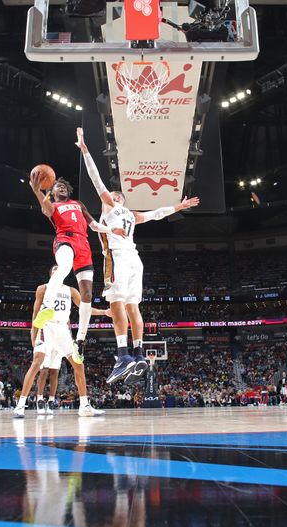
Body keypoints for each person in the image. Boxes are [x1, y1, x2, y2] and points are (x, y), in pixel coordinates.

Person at [76, 127, 200, 385]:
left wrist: (85, 150)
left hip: (119, 259)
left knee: (116, 304)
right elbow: (157, 213)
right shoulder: (132, 215)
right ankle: (139, 353)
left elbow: (96, 179)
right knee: (133, 306)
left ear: (114, 199)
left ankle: (123, 356)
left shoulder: (110, 207)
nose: (106, 198)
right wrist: (180, 206)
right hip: (136, 261)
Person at [28, 168, 123, 363]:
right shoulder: (51, 204)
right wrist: (37, 191)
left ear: (68, 190)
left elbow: (94, 225)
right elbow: (45, 210)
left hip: (84, 245)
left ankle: (79, 340)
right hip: (64, 239)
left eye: (63, 186)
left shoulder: (78, 204)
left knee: (87, 295)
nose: (61, 187)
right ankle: (47, 307)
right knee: (63, 266)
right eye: (57, 186)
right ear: (52, 191)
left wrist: (111, 229)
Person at [14, 266, 108, 418]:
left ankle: (84, 405)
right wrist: (33, 334)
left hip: (63, 329)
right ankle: (20, 405)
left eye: (60, 268)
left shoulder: (71, 291)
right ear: (50, 273)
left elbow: (85, 308)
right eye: (54, 269)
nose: (58, 270)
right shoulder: (42, 288)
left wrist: (104, 312)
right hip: (47, 326)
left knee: (79, 364)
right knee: (37, 362)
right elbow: (35, 314)